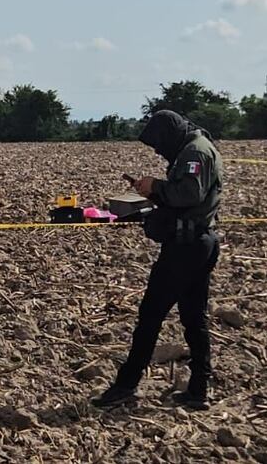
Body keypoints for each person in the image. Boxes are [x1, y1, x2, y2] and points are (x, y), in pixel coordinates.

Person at [92, 110, 223, 411]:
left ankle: (126, 385)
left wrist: (156, 187)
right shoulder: (198, 146)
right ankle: (199, 390)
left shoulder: (195, 152)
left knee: (151, 316)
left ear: (170, 134)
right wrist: (154, 192)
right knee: (193, 318)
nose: (158, 150)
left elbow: (189, 193)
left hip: (185, 248)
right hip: (198, 242)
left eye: (159, 143)